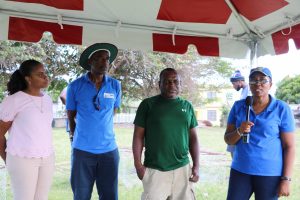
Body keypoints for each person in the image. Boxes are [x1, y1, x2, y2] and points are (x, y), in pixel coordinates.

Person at [224, 67, 295, 200]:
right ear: (249, 84)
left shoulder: (281, 109)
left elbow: (289, 147)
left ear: (271, 84)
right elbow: (228, 140)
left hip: (270, 174)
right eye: (253, 80)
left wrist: (286, 179)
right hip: (240, 171)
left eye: (263, 80)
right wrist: (240, 130)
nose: (258, 84)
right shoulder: (238, 106)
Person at [132, 68, 200, 200]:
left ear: (180, 84)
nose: (172, 85)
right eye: (167, 82)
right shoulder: (148, 105)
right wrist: (138, 165)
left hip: (182, 169)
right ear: (159, 84)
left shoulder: (187, 106)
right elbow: (138, 137)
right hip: (155, 170)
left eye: (176, 82)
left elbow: (194, 139)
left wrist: (196, 166)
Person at [66, 43, 121, 200]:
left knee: (110, 196)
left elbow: (112, 112)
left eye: (107, 59)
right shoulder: (75, 86)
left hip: (109, 151)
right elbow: (71, 116)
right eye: (99, 59)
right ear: (90, 61)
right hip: (82, 151)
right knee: (81, 195)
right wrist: (74, 136)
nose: (104, 63)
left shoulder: (115, 86)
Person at [0, 59, 55, 200]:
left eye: (45, 73)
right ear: (28, 79)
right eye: (40, 74)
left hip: (47, 157)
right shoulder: (14, 100)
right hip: (22, 159)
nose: (45, 76)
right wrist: (8, 158)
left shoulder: (47, 99)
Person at [227, 70, 250, 157]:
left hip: (244, 126)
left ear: (240, 81)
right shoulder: (244, 90)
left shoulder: (249, 90)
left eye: (234, 84)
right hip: (238, 125)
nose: (233, 86)